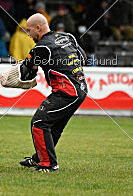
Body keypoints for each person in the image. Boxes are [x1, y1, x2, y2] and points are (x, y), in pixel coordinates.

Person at [18, 13, 87, 172]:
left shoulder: (40, 47)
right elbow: (82, 58)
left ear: (38, 28)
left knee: (39, 123)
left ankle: (48, 164)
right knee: (54, 127)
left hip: (67, 91)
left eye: (29, 31)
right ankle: (39, 159)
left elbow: (25, 74)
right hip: (81, 89)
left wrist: (31, 68)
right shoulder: (67, 36)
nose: (28, 35)